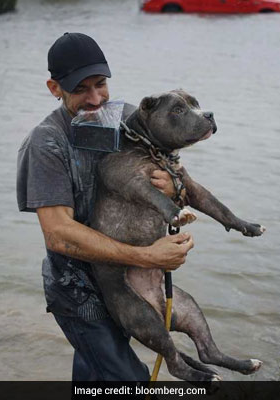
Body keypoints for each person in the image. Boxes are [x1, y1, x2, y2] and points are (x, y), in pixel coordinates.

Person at [16, 32, 195, 381]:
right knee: (130, 381)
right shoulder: (46, 142)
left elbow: (181, 178)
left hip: (125, 282)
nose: (96, 99)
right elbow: (59, 234)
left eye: (101, 84)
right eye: (81, 89)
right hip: (77, 291)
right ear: (55, 88)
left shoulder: (128, 120)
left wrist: (174, 187)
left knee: (93, 379)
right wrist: (149, 257)